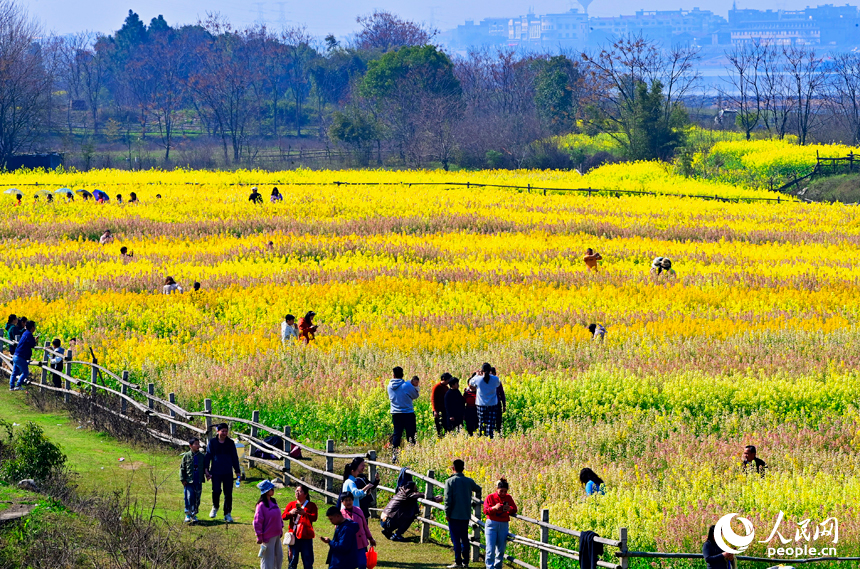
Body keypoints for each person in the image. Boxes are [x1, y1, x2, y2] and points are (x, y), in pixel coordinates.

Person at [444, 459, 480, 569]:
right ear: (463, 468)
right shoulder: (469, 481)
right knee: (464, 538)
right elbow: (478, 488)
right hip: (465, 514)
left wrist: (447, 513)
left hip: (454, 515)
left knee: (455, 539)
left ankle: (458, 561)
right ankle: (466, 562)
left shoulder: (449, 481)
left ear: (453, 468)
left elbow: (447, 500)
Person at [203, 423, 242, 523]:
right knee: (216, 491)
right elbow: (208, 456)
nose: (224, 433)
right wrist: (206, 469)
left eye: (226, 431)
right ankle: (215, 507)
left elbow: (234, 457)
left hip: (228, 472)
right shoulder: (212, 443)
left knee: (228, 493)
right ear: (218, 431)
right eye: (222, 431)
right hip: (216, 471)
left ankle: (227, 513)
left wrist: (237, 471)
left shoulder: (230, 443)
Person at [483, 478, 517, 569]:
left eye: (505, 491)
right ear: (497, 489)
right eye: (501, 491)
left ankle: (498, 566)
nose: (503, 493)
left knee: (501, 548)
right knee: (490, 548)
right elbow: (485, 510)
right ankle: (489, 567)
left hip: (503, 524)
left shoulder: (508, 498)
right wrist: (494, 508)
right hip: (491, 524)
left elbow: (515, 509)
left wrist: (510, 509)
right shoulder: (490, 497)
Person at [283, 484, 318, 569]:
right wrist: (290, 513)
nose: (297, 493)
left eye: (299, 491)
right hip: (294, 535)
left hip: (306, 536)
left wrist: (305, 513)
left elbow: (314, 518)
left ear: (305, 494)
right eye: (296, 491)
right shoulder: (291, 504)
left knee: (307, 561)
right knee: (292, 561)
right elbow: (283, 517)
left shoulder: (311, 505)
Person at [340, 492, 375, 569]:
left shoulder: (358, 510)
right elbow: (338, 531)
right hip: (348, 544)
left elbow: (365, 526)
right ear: (342, 502)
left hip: (360, 542)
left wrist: (370, 538)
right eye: (346, 500)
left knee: (362, 564)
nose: (348, 502)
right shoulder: (340, 514)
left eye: (350, 500)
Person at [255, 480, 285, 569]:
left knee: (279, 557)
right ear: (266, 491)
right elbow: (257, 521)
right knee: (268, 560)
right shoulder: (261, 505)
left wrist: (281, 527)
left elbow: (278, 516)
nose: (273, 490)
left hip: (276, 535)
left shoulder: (273, 502)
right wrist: (259, 536)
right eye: (271, 489)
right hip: (268, 537)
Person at [387, 366, 419, 451]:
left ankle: (395, 453)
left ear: (393, 375)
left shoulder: (389, 386)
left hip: (396, 413)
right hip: (408, 413)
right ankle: (412, 452)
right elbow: (416, 395)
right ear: (403, 375)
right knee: (411, 434)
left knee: (397, 434)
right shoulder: (407, 385)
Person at [469, 363, 501, 438]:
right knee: (491, 423)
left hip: (481, 404)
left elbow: (470, 383)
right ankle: (490, 437)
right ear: (490, 370)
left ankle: (482, 437)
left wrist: (477, 375)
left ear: (482, 370)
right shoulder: (495, 379)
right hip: (492, 404)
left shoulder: (478, 379)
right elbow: (498, 384)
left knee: (482, 422)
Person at [180, 437, 206, 523]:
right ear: (190, 446)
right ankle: (188, 514)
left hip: (198, 481)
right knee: (189, 497)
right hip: (189, 481)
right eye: (196, 444)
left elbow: (205, 468)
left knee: (197, 498)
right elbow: (182, 468)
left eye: (198, 444)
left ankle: (194, 514)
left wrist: (208, 474)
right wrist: (182, 479)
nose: (198, 445)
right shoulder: (186, 456)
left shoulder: (202, 456)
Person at [9, 320, 36, 391]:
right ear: (32, 327)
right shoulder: (29, 334)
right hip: (20, 356)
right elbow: (32, 344)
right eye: (34, 327)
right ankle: (18, 385)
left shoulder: (25, 333)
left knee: (14, 372)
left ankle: (11, 386)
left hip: (16, 355)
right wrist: (35, 340)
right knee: (25, 372)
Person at [492, 367, 506, 436]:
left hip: (497, 404)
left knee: (498, 420)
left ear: (494, 374)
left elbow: (502, 393)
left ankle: (499, 434)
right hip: (490, 405)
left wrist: (504, 405)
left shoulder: (498, 382)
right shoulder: (486, 383)